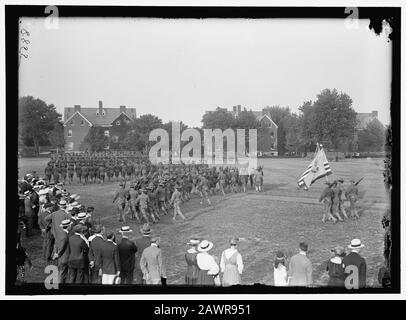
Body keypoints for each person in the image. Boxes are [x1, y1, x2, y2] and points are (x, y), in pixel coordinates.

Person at [54, 219, 72, 284]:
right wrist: (58, 254)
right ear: (68, 226)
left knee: (62, 273)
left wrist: (56, 253)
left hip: (61, 257)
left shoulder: (59, 233)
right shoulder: (65, 236)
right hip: (64, 257)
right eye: (70, 225)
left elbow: (56, 244)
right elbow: (62, 247)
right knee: (63, 274)